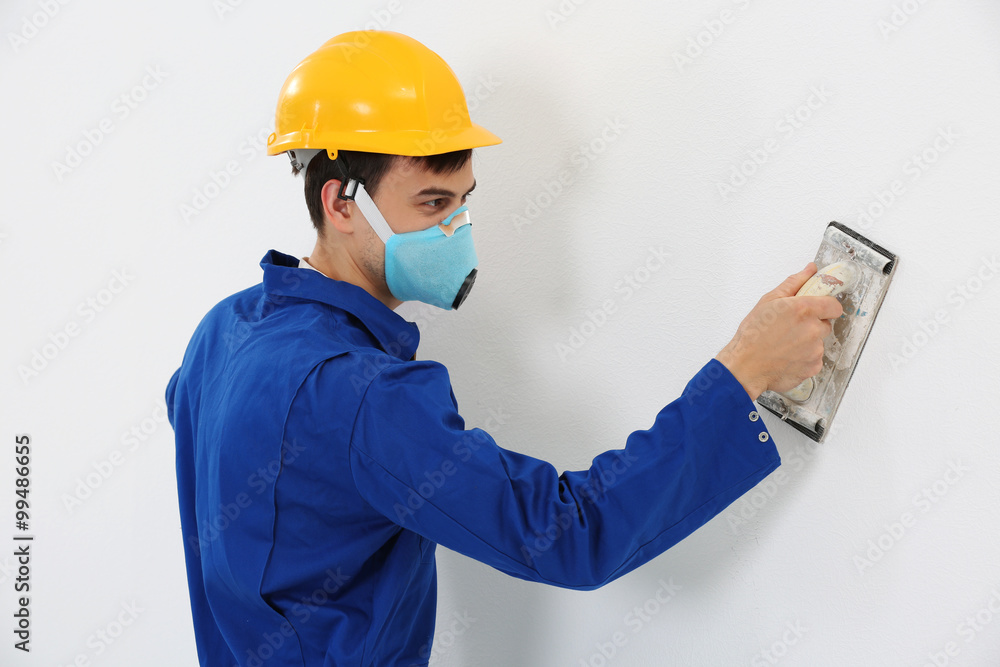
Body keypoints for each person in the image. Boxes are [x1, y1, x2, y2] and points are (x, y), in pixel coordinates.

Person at [165, 30, 843, 667]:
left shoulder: (221, 333)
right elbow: (571, 533)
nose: (458, 230)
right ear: (342, 203)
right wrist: (742, 371)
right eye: (433, 204)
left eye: (464, 201)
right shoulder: (361, 394)